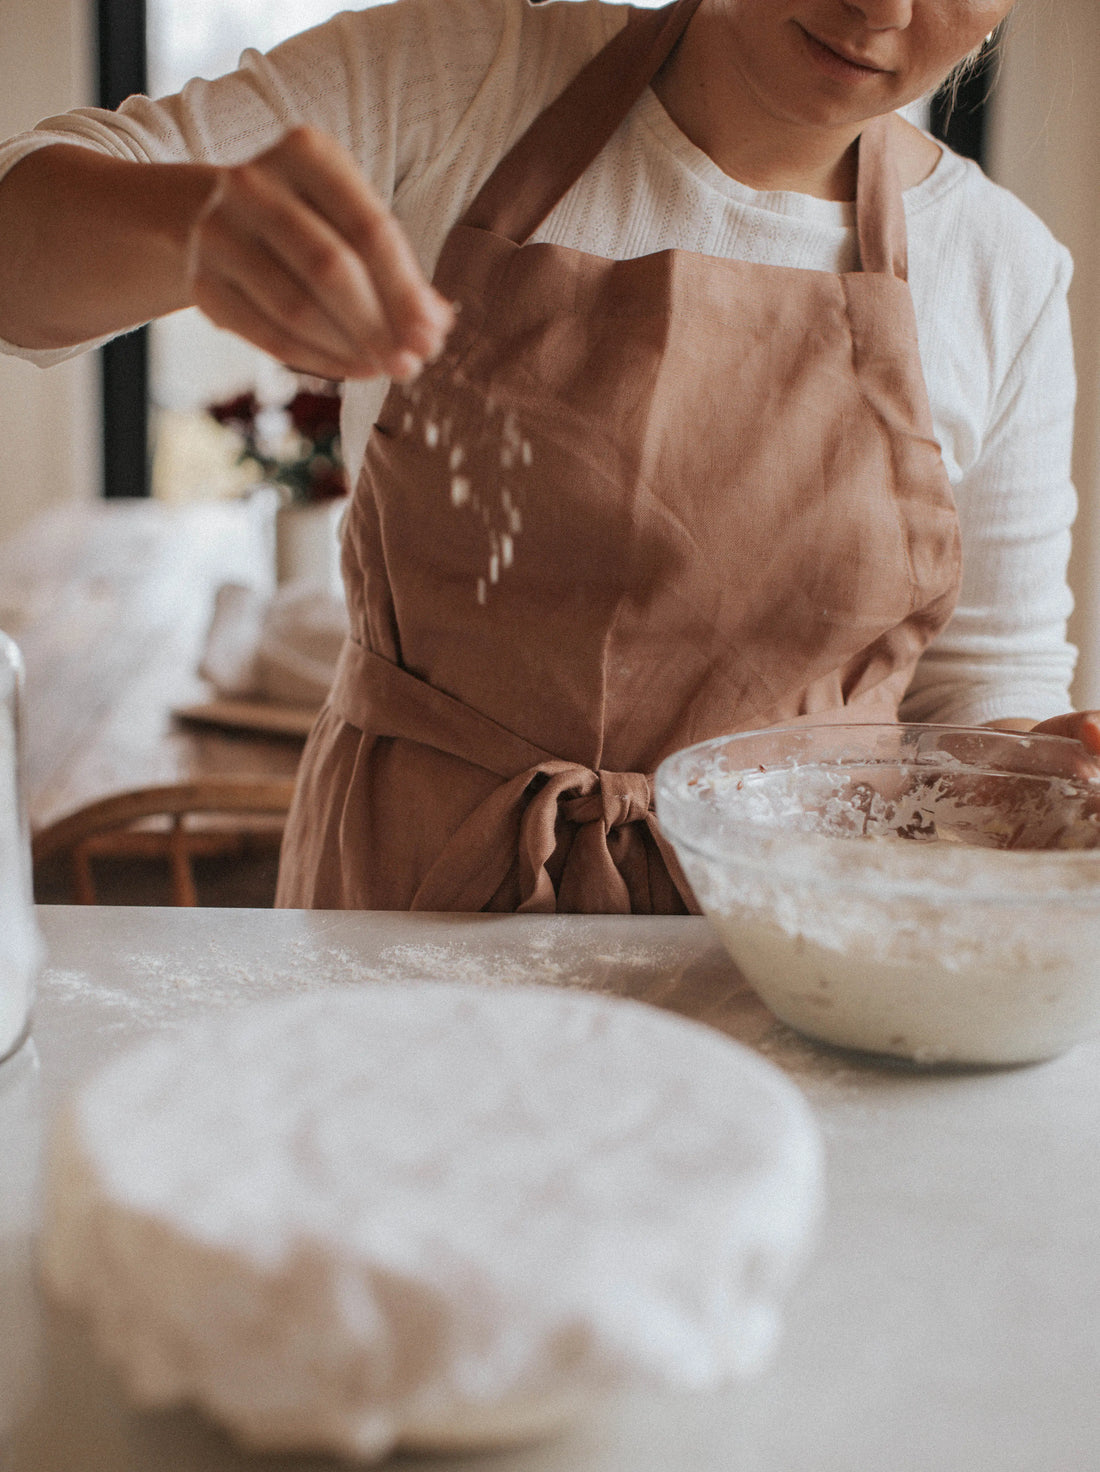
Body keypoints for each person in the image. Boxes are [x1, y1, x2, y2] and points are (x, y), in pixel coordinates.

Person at [0, 0, 1096, 912]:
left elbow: (976, 691)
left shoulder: (1000, 268)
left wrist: (1046, 775)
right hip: (406, 908)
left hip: (788, 945)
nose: (882, 7)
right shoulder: (463, 76)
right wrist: (192, 226)